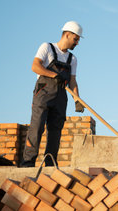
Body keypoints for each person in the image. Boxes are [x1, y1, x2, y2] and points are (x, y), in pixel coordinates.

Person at [20, 21, 85, 167]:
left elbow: (73, 81)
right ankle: (28, 163)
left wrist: (77, 100)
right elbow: (35, 66)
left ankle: (50, 164)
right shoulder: (47, 47)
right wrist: (54, 75)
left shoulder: (72, 59)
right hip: (43, 92)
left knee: (55, 132)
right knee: (37, 127)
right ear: (67, 34)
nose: (77, 43)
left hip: (61, 96)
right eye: (76, 39)